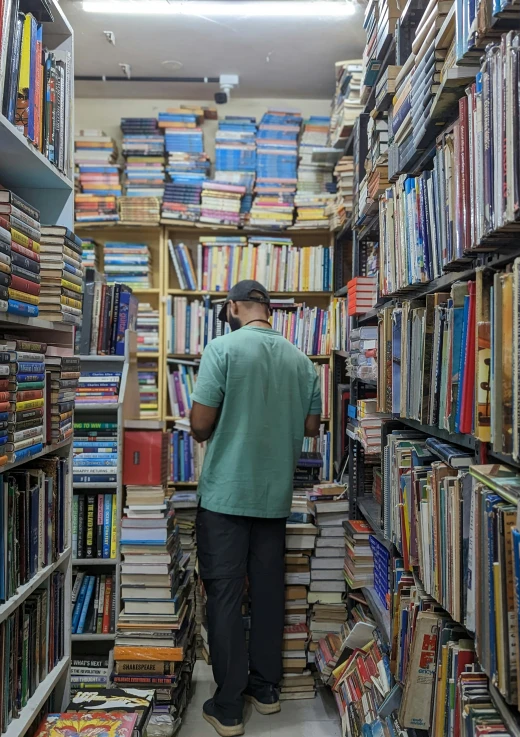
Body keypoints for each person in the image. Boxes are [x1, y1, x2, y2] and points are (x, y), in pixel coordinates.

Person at [190, 279, 322, 737]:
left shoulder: (221, 349)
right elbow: (310, 427)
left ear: (233, 308)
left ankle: (227, 707)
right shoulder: (303, 363)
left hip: (226, 494)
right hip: (274, 497)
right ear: (269, 310)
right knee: (268, 592)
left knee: (224, 596)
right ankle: (266, 690)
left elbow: (201, 427)